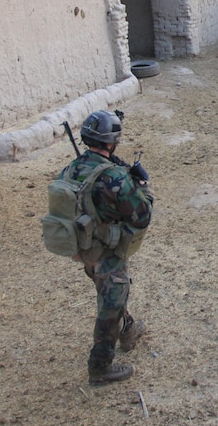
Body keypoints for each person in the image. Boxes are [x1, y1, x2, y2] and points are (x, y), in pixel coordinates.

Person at [60, 110, 154, 385]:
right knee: (110, 304)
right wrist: (142, 188)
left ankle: (127, 330)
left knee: (110, 291)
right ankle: (100, 366)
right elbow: (141, 214)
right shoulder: (113, 176)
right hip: (107, 250)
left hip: (84, 248)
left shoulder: (73, 167)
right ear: (112, 141)